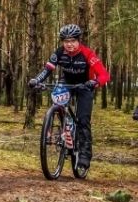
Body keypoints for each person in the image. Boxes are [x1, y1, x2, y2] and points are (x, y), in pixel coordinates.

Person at [28, 24, 110, 169]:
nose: (69, 45)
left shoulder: (88, 54)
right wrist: (37, 80)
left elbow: (104, 75)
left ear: (79, 40)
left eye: (72, 41)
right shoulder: (59, 53)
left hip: (85, 85)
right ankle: (62, 123)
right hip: (66, 83)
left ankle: (84, 155)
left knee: (83, 120)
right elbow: (47, 70)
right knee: (57, 102)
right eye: (66, 41)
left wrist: (95, 82)